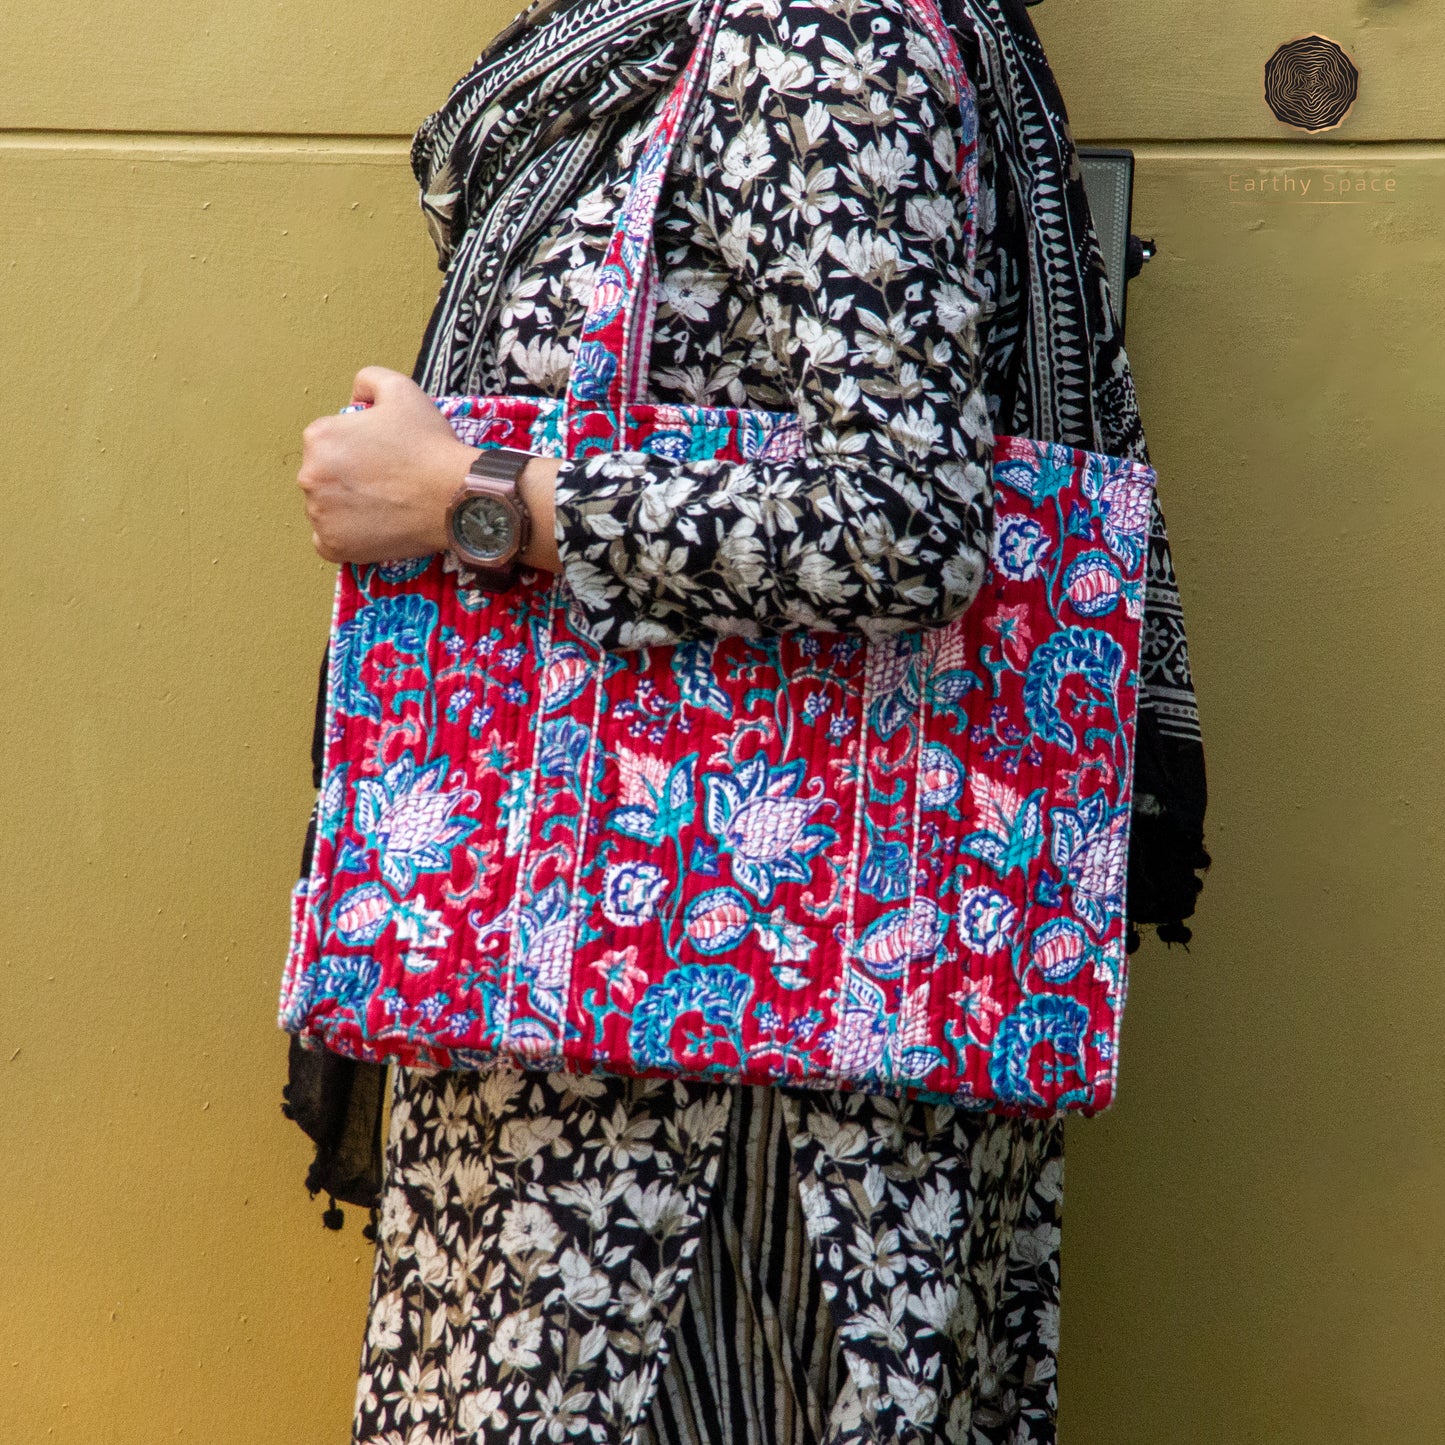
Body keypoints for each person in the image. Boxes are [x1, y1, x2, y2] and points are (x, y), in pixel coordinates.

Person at [290, 0, 1208, 1440]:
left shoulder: (822, 30)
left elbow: (905, 522)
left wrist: (476, 502)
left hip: (728, 1117)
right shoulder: (665, 32)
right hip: (608, 1023)